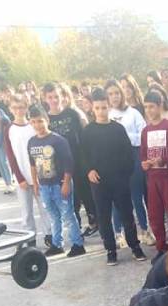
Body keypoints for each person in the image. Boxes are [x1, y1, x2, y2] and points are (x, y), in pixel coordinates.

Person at [81, 88, 147, 266]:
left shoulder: (118, 129)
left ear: (108, 107)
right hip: (99, 182)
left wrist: (125, 174)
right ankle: (110, 249)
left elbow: (128, 153)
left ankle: (135, 246)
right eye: (97, 108)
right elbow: (83, 155)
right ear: (92, 109)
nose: (101, 111)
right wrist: (89, 170)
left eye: (104, 107)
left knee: (127, 214)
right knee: (104, 217)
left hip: (119, 180)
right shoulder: (88, 131)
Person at [27, 105, 85, 258]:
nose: (37, 125)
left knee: (67, 214)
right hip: (44, 186)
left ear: (47, 120)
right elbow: (32, 165)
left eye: (40, 121)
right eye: (33, 122)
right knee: (53, 216)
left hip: (59, 184)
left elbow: (68, 164)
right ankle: (57, 244)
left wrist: (66, 183)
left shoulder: (58, 140)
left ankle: (77, 244)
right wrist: (35, 183)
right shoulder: (31, 142)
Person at [43, 82, 98, 237]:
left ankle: (94, 221)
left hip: (78, 160)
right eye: (50, 97)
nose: (54, 100)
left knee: (86, 193)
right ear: (45, 98)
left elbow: (84, 137)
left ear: (62, 96)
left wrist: (88, 160)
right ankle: (76, 227)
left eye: (56, 96)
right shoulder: (46, 118)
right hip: (59, 166)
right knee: (69, 199)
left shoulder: (72, 114)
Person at [104, 79, 152, 246]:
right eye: (110, 94)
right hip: (113, 161)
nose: (114, 96)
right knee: (117, 199)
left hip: (133, 156)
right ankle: (119, 233)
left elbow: (144, 135)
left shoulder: (133, 113)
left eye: (117, 93)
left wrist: (124, 135)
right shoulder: (106, 114)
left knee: (137, 197)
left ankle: (145, 230)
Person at [140, 89, 168, 256]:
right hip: (153, 180)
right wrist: (144, 163)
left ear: (160, 106)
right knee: (155, 214)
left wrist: (164, 160)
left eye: (152, 106)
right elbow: (143, 154)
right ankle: (161, 247)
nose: (149, 110)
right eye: (146, 107)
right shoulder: (145, 131)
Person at [3, 93, 52, 244]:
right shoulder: (10, 129)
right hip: (22, 176)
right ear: (10, 109)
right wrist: (19, 178)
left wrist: (43, 174)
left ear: (26, 107)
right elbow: (10, 156)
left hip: (39, 175)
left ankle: (49, 234)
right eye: (15, 108)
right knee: (26, 211)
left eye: (22, 107)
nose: (19, 110)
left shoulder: (33, 126)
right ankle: (30, 238)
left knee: (45, 207)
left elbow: (42, 149)